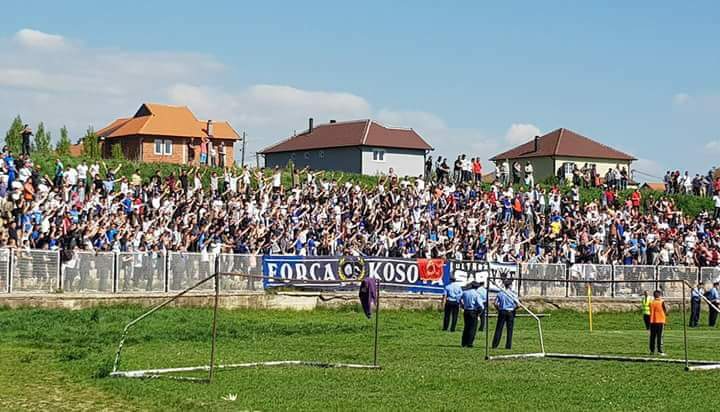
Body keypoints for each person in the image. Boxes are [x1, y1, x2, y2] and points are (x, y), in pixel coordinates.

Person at [492, 279, 517, 350]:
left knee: (499, 328)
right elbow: (518, 304)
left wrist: (498, 308)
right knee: (510, 330)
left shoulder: (500, 293)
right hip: (510, 312)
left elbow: (495, 303)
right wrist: (514, 308)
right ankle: (508, 346)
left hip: (502, 311)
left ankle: (495, 344)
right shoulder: (513, 293)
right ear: (509, 286)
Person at [460, 281, 483, 347]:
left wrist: (462, 305)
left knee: (466, 327)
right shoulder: (476, 294)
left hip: (466, 311)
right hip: (473, 311)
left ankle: (464, 342)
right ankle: (469, 343)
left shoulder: (465, 292)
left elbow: (459, 299)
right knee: (472, 328)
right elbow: (480, 305)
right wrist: (479, 314)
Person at [649, 290, 667, 356]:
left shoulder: (651, 302)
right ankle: (660, 351)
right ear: (659, 295)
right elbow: (665, 310)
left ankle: (652, 351)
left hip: (652, 321)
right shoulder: (662, 302)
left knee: (652, 337)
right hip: (660, 321)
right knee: (660, 337)